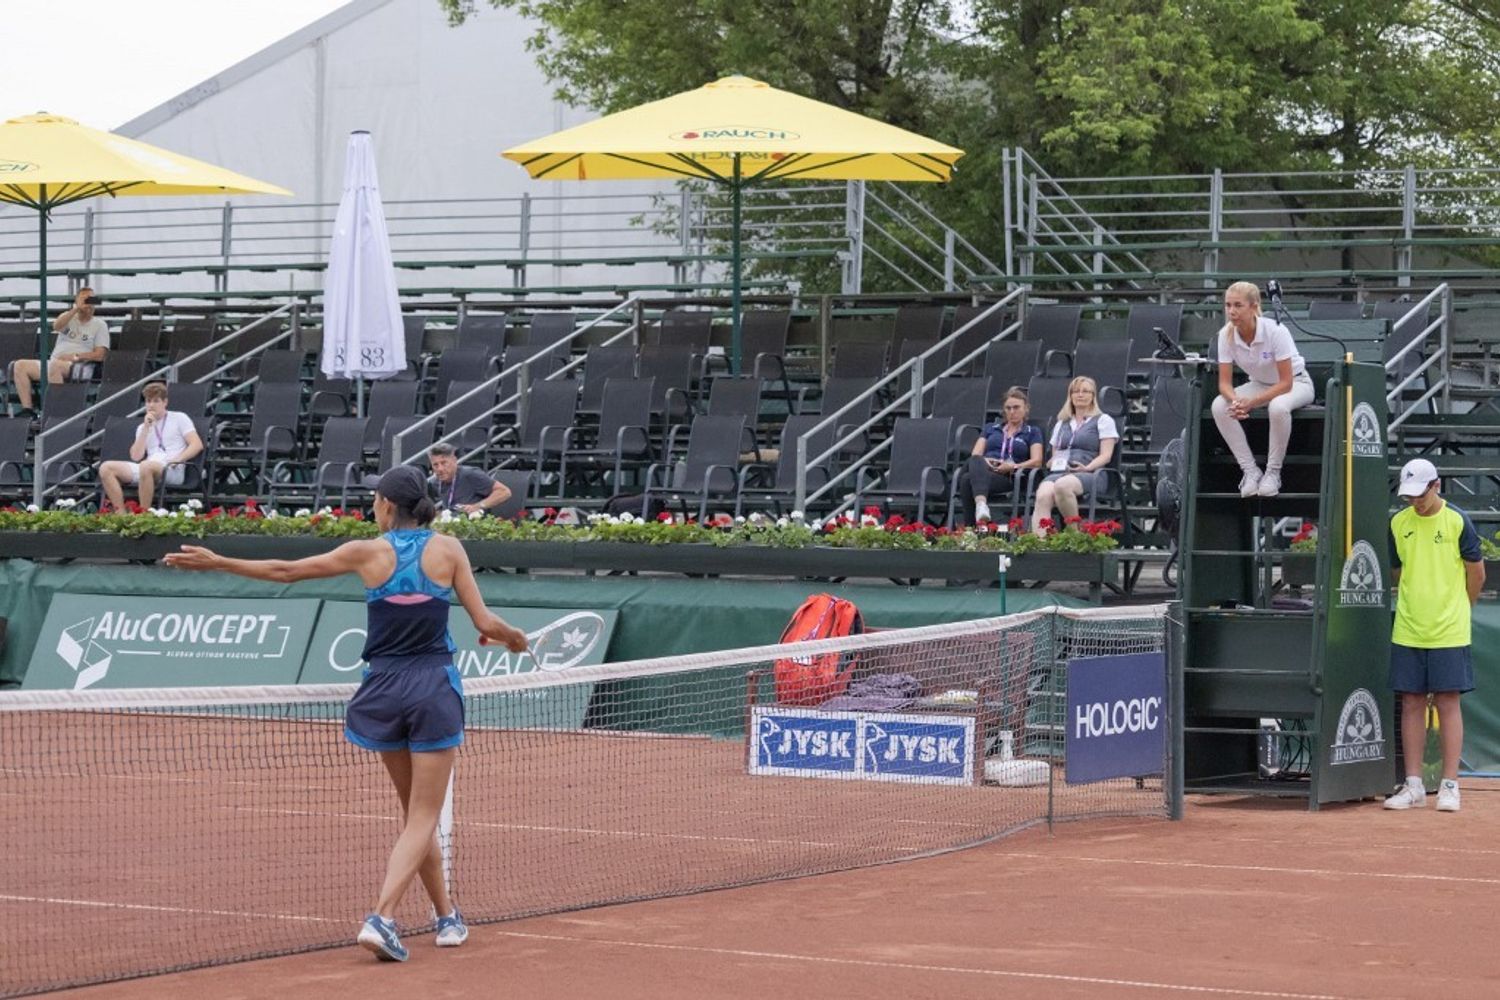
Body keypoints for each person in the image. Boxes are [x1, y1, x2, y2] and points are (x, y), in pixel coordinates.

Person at [163, 465, 529, 959]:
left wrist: (219, 561)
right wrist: (513, 638)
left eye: (373, 500)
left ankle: (446, 917)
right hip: (432, 688)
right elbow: (484, 621)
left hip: (383, 689)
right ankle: (382, 917)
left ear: (385, 504)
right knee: (423, 817)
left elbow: (285, 572)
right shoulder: (448, 549)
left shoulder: (366, 552)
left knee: (414, 817)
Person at [1383, 458, 1485, 813]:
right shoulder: (1397, 523)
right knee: (1410, 702)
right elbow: (1398, 572)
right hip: (1409, 627)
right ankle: (1412, 785)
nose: (1415, 501)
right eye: (1408, 496)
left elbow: (1477, 575)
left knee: (1448, 702)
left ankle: (1450, 785)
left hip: (1449, 630)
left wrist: (1460, 609)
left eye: (1420, 494)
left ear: (1436, 486)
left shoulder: (1458, 521)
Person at [1210, 280, 1314, 498]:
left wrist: (1252, 402)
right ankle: (1249, 471)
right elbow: (1224, 384)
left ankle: (1273, 473)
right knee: (1220, 405)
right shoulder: (1224, 335)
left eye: (1238, 305)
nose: (1232, 311)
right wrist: (1236, 401)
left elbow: (1286, 383)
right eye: (1228, 305)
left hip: (1297, 384)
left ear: (1254, 306)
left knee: (1277, 407)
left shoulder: (1276, 330)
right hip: (1259, 384)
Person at [1031, 376, 1119, 533]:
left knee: (1062, 486)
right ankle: (1040, 543)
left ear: (1093, 396)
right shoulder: (1061, 423)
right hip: (1061, 472)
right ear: (1070, 396)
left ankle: (1073, 533)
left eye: (1085, 391)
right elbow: (1055, 455)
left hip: (1092, 473)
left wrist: (1086, 468)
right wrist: (1052, 462)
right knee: (1043, 494)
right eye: (1076, 391)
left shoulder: (1103, 420)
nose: (1080, 395)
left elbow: (1106, 456)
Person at [98, 381, 203, 512]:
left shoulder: (179, 418)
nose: (151, 405)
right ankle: (121, 514)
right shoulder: (142, 427)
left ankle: (143, 514)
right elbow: (136, 456)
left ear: (165, 402)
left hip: (172, 468)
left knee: (146, 466)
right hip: (148, 467)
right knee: (106, 467)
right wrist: (146, 429)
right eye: (148, 401)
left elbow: (197, 444)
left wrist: (179, 459)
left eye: (156, 401)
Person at [12, 287, 111, 415]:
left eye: (91, 300)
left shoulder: (99, 325)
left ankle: (59, 412)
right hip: (55, 362)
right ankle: (27, 409)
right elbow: (56, 326)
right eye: (85, 300)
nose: (89, 304)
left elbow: (100, 355)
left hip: (81, 366)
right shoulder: (69, 317)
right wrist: (76, 308)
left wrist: (75, 356)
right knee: (20, 365)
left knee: (55, 367)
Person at [964, 387, 1044, 525]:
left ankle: (971, 530)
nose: (1012, 412)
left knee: (966, 480)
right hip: (985, 468)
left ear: (1026, 408)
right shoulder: (991, 428)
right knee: (975, 460)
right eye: (1008, 408)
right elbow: (976, 454)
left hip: (1008, 476)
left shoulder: (1032, 432)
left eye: (1016, 407)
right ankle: (981, 505)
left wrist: (1013, 466)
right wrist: (988, 461)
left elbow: (1037, 461)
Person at [427, 442, 512, 515]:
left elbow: (504, 492)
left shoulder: (471, 474)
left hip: (473, 526)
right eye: (435, 465)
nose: (440, 469)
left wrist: (478, 506)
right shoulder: (435, 482)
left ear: (454, 460)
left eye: (444, 463)